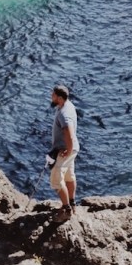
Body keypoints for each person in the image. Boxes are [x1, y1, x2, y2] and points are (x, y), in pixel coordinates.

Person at [48, 83, 79, 218]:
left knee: (56, 180)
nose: (51, 97)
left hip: (64, 151)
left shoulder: (63, 114)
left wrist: (68, 150)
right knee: (69, 176)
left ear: (60, 98)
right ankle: (72, 203)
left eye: (53, 95)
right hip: (73, 149)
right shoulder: (69, 106)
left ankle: (66, 210)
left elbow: (69, 133)